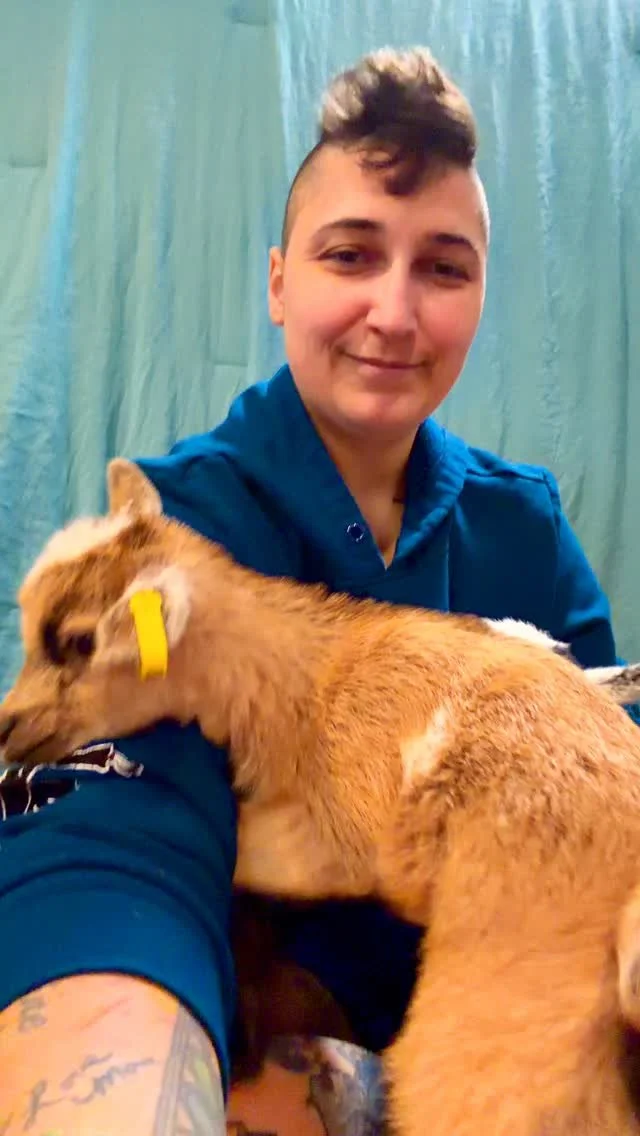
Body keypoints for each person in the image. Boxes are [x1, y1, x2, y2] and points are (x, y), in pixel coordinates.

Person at [0, 46, 631, 1135]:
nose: (394, 311)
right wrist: (115, 1049)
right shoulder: (181, 536)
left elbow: (607, 773)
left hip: (513, 994)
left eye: (443, 269)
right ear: (279, 280)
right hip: (261, 1036)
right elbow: (117, 835)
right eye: (351, 255)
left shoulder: (523, 526)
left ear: (481, 296)